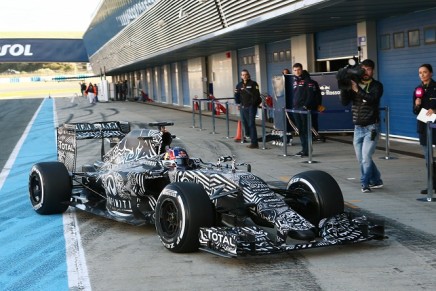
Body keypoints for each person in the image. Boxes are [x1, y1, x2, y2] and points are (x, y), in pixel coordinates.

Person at [340, 59, 384, 193]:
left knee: (365, 157)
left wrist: (357, 89)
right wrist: (344, 87)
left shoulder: (377, 85)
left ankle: (365, 184)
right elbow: (344, 102)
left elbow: (372, 99)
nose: (366, 72)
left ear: (373, 71)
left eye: (369, 69)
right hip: (357, 127)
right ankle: (376, 180)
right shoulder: (354, 83)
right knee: (363, 158)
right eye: (363, 69)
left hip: (371, 127)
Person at [412, 64, 436, 194]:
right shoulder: (417, 90)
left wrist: (435, 110)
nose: (422, 75)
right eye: (420, 72)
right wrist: (417, 105)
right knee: (428, 159)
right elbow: (414, 111)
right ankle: (431, 185)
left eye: (425, 72)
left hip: (435, 126)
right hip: (423, 127)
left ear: (431, 73)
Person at [291, 63, 317, 157]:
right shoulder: (294, 81)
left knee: (306, 130)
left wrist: (305, 106)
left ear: (301, 70)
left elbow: (310, 96)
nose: (297, 72)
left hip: (303, 109)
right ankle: (304, 149)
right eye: (295, 70)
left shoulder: (307, 81)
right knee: (300, 130)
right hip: (296, 109)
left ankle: (308, 149)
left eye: (298, 70)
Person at [234, 69, 261, 149]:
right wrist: (236, 98)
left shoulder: (253, 84)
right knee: (245, 123)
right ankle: (249, 135)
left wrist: (253, 105)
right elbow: (237, 97)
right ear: (241, 76)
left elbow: (257, 96)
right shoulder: (239, 85)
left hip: (251, 107)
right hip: (243, 107)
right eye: (243, 75)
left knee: (251, 124)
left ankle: (254, 143)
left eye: (246, 74)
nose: (244, 76)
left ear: (248, 75)